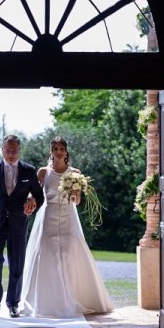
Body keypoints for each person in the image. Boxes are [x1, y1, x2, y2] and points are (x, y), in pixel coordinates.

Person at [20, 136, 114, 318]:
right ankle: (46, 299)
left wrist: (74, 195)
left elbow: (77, 200)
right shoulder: (43, 172)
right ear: (51, 152)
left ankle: (71, 295)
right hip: (48, 214)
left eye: (61, 148)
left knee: (70, 252)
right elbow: (35, 192)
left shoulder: (75, 172)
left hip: (68, 216)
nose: (58, 152)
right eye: (55, 148)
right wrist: (31, 198)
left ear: (66, 152)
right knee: (46, 251)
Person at [0, 134, 44, 318]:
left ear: (19, 150)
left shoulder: (29, 171)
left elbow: (40, 195)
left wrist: (32, 201)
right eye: (7, 150)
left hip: (18, 224)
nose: (11, 154)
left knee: (17, 264)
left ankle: (13, 303)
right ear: (2, 150)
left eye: (14, 151)